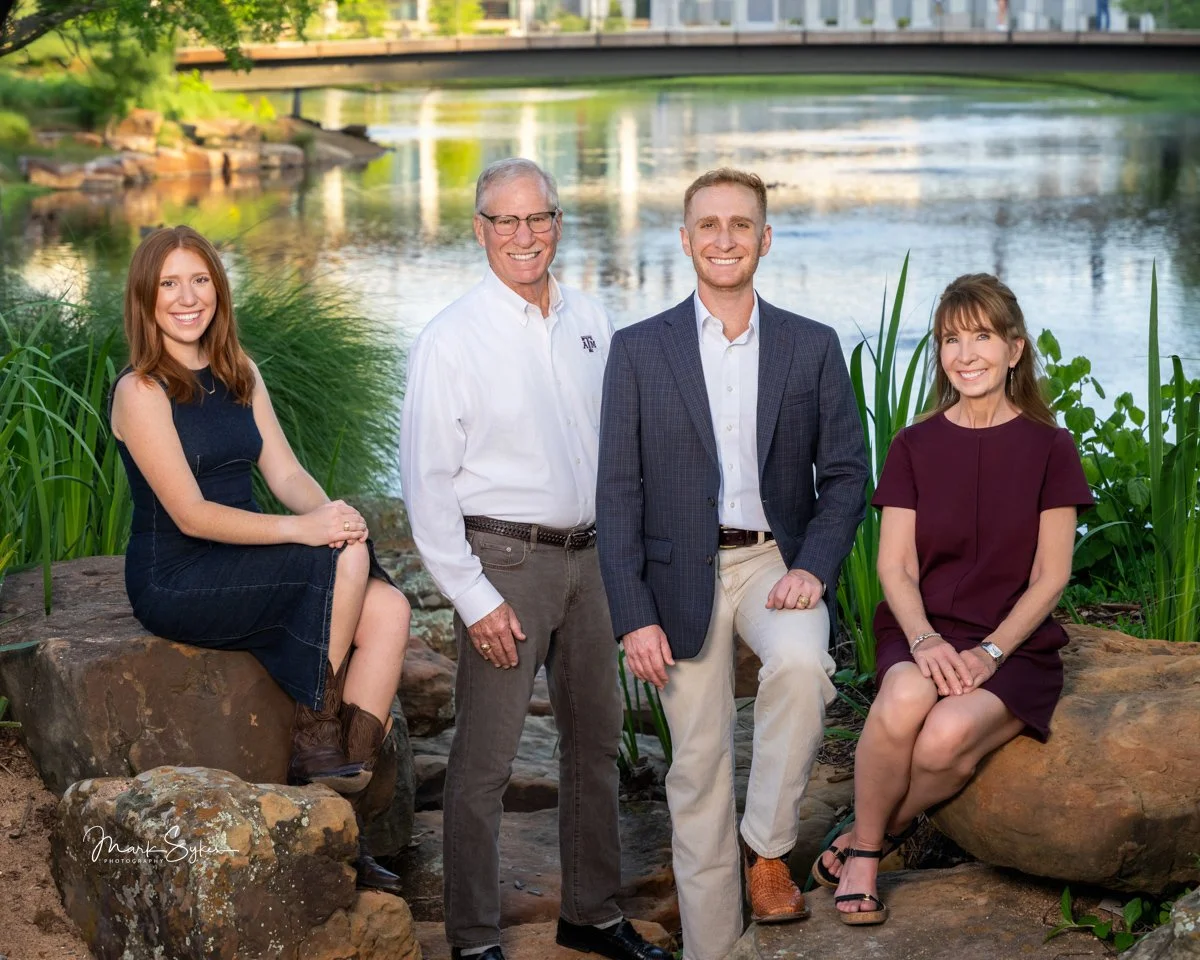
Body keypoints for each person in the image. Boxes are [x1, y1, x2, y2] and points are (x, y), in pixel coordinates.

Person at [596, 168, 869, 960]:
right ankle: (714, 950)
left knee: (803, 666)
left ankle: (768, 848)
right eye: (708, 225)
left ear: (765, 239)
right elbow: (617, 492)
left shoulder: (810, 345)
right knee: (697, 769)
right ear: (685, 241)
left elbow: (846, 474)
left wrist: (814, 565)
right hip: (673, 574)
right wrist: (633, 615)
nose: (724, 239)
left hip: (774, 560)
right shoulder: (638, 350)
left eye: (740, 224)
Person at [400, 158, 667, 960]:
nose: (524, 235)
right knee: (485, 762)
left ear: (558, 222)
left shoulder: (593, 318)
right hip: (506, 565)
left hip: (594, 561)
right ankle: (474, 939)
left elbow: (623, 445)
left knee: (596, 745)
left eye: (538, 218)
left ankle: (592, 916)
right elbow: (425, 484)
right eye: (505, 220)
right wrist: (474, 598)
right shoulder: (450, 339)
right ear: (480, 229)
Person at [110, 225, 410, 894]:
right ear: (145, 296)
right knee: (338, 561)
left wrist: (334, 516)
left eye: (200, 280)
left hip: (247, 563)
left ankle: (338, 819)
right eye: (169, 284)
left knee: (390, 606)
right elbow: (191, 514)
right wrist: (305, 531)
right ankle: (315, 728)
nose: (188, 297)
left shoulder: (239, 371)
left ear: (218, 289)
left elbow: (287, 474)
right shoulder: (141, 391)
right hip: (179, 575)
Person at [811, 274, 1093, 926]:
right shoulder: (914, 445)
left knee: (945, 737)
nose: (965, 355)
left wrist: (991, 652)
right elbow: (895, 566)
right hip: (923, 625)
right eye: (950, 340)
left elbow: (1051, 576)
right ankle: (866, 859)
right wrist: (924, 639)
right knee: (905, 700)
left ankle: (869, 833)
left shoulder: (1051, 448)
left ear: (1014, 350)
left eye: (982, 337)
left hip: (1014, 642)